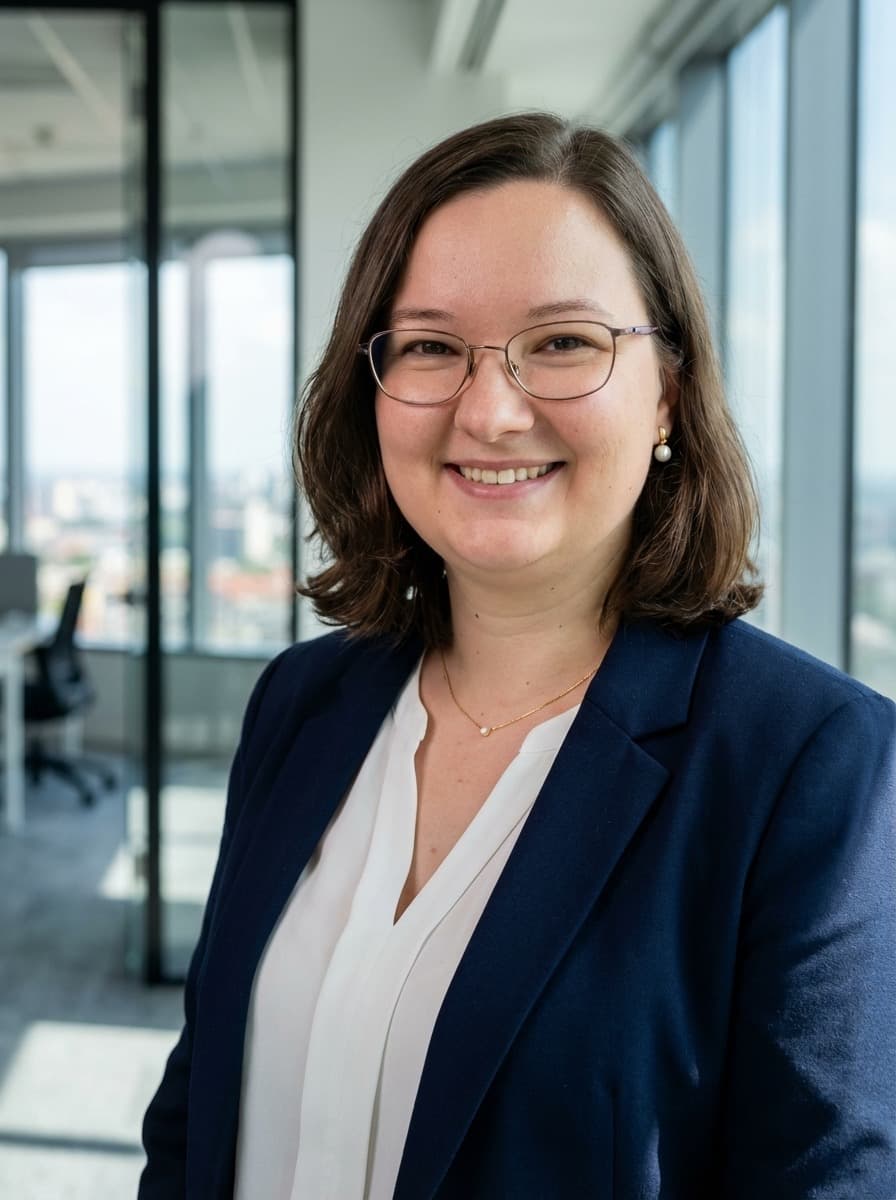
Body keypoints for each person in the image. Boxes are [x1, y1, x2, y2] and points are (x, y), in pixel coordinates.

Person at [139, 113, 896, 1200]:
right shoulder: (300, 704)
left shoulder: (813, 768)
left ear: (668, 394)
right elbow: (193, 1117)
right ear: (375, 386)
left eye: (561, 343)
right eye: (432, 346)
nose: (489, 410)